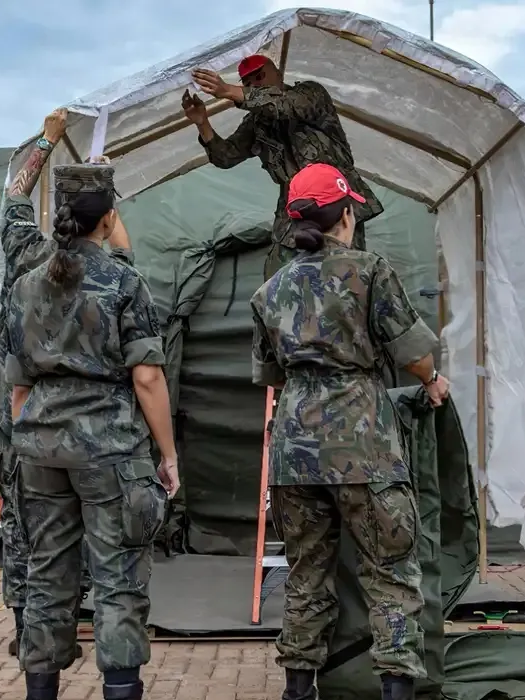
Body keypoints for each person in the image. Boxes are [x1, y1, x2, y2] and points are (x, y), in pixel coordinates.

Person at [250, 163, 450, 700]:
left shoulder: (269, 291)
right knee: (389, 573)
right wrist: (433, 382)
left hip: (294, 449)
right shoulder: (369, 270)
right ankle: (395, 691)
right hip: (365, 446)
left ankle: (298, 690)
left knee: (306, 573)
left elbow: (269, 373)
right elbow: (414, 354)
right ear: (345, 212)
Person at [4, 161, 180, 700]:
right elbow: (146, 376)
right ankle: (121, 687)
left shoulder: (27, 284)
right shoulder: (124, 281)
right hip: (109, 448)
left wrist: (27, 444)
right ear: (107, 218)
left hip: (40, 448)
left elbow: (19, 386)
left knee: (47, 577)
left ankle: (40, 690)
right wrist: (168, 456)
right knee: (118, 577)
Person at [0, 110, 135, 656]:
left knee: (26, 513)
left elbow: (15, 198)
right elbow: (122, 244)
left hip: (27, 406)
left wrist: (47, 142)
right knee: (97, 517)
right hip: (94, 418)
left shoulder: (27, 254)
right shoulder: (110, 271)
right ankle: (84, 615)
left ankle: (30, 624)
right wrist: (103, 187)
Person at [182, 55, 383, 279]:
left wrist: (229, 91)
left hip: (334, 201)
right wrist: (202, 123)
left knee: (345, 275)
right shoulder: (256, 123)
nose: (255, 84)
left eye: (260, 76)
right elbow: (225, 157)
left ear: (278, 73)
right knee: (278, 279)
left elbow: (284, 106)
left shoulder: (310, 93)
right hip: (295, 209)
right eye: (248, 83)